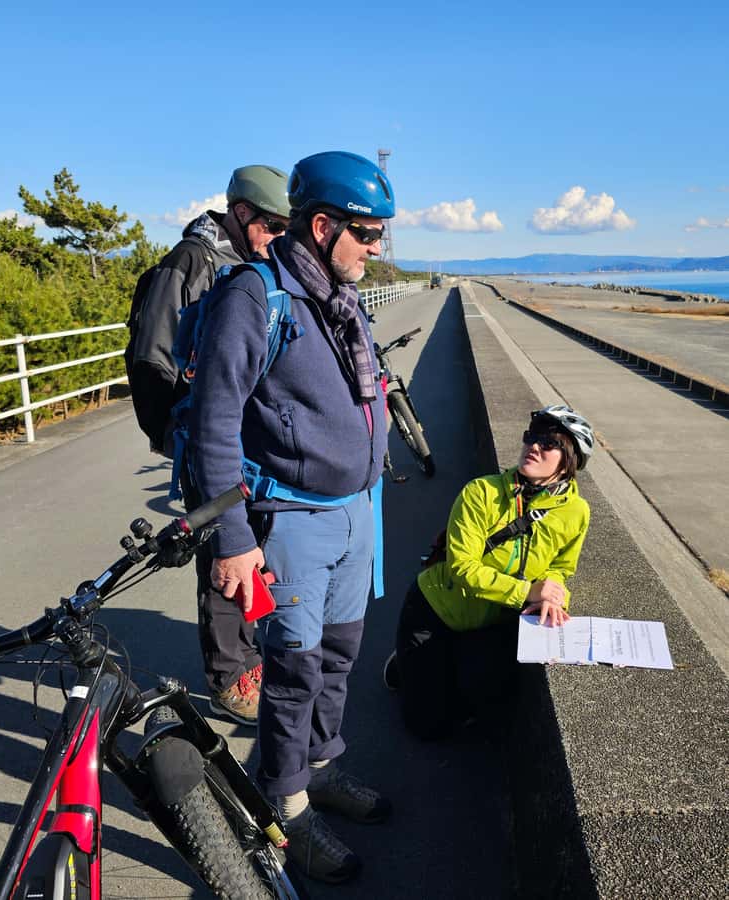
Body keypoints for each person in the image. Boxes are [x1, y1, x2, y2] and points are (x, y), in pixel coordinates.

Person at [186, 151, 394, 884]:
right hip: (293, 519)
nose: (377, 248)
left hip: (352, 515)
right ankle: (286, 808)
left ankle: (322, 767)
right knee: (293, 673)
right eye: (367, 234)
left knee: (338, 658)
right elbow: (214, 425)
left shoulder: (335, 297)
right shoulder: (257, 293)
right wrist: (233, 541)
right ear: (321, 224)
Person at [130, 165, 291, 726]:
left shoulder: (245, 261)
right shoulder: (192, 261)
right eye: (272, 225)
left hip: (241, 433)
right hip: (204, 432)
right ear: (242, 214)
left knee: (251, 537)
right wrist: (181, 435)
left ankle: (246, 654)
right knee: (223, 545)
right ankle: (230, 675)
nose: (278, 237)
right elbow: (152, 356)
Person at [385, 405, 594, 740]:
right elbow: (463, 567)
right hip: (437, 608)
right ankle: (406, 662)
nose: (534, 446)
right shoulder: (483, 492)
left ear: (569, 462)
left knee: (485, 707)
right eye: (531, 436)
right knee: (425, 727)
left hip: (492, 620)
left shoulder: (576, 511)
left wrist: (555, 595)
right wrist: (527, 593)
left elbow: (561, 566)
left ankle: (435, 667)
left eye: (549, 442)